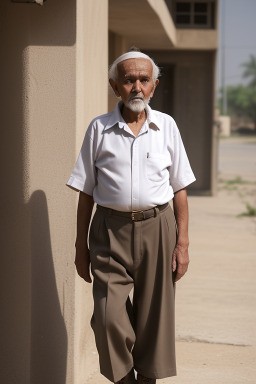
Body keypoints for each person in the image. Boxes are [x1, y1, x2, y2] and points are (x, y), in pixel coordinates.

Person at [66, 50, 196, 384]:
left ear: (154, 86)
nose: (136, 86)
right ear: (115, 85)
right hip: (109, 230)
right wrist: (80, 246)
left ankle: (147, 379)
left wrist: (182, 243)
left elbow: (179, 187)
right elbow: (86, 191)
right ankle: (123, 380)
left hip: (159, 228)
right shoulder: (99, 129)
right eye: (128, 80)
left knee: (155, 319)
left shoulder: (166, 126)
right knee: (108, 317)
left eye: (143, 80)